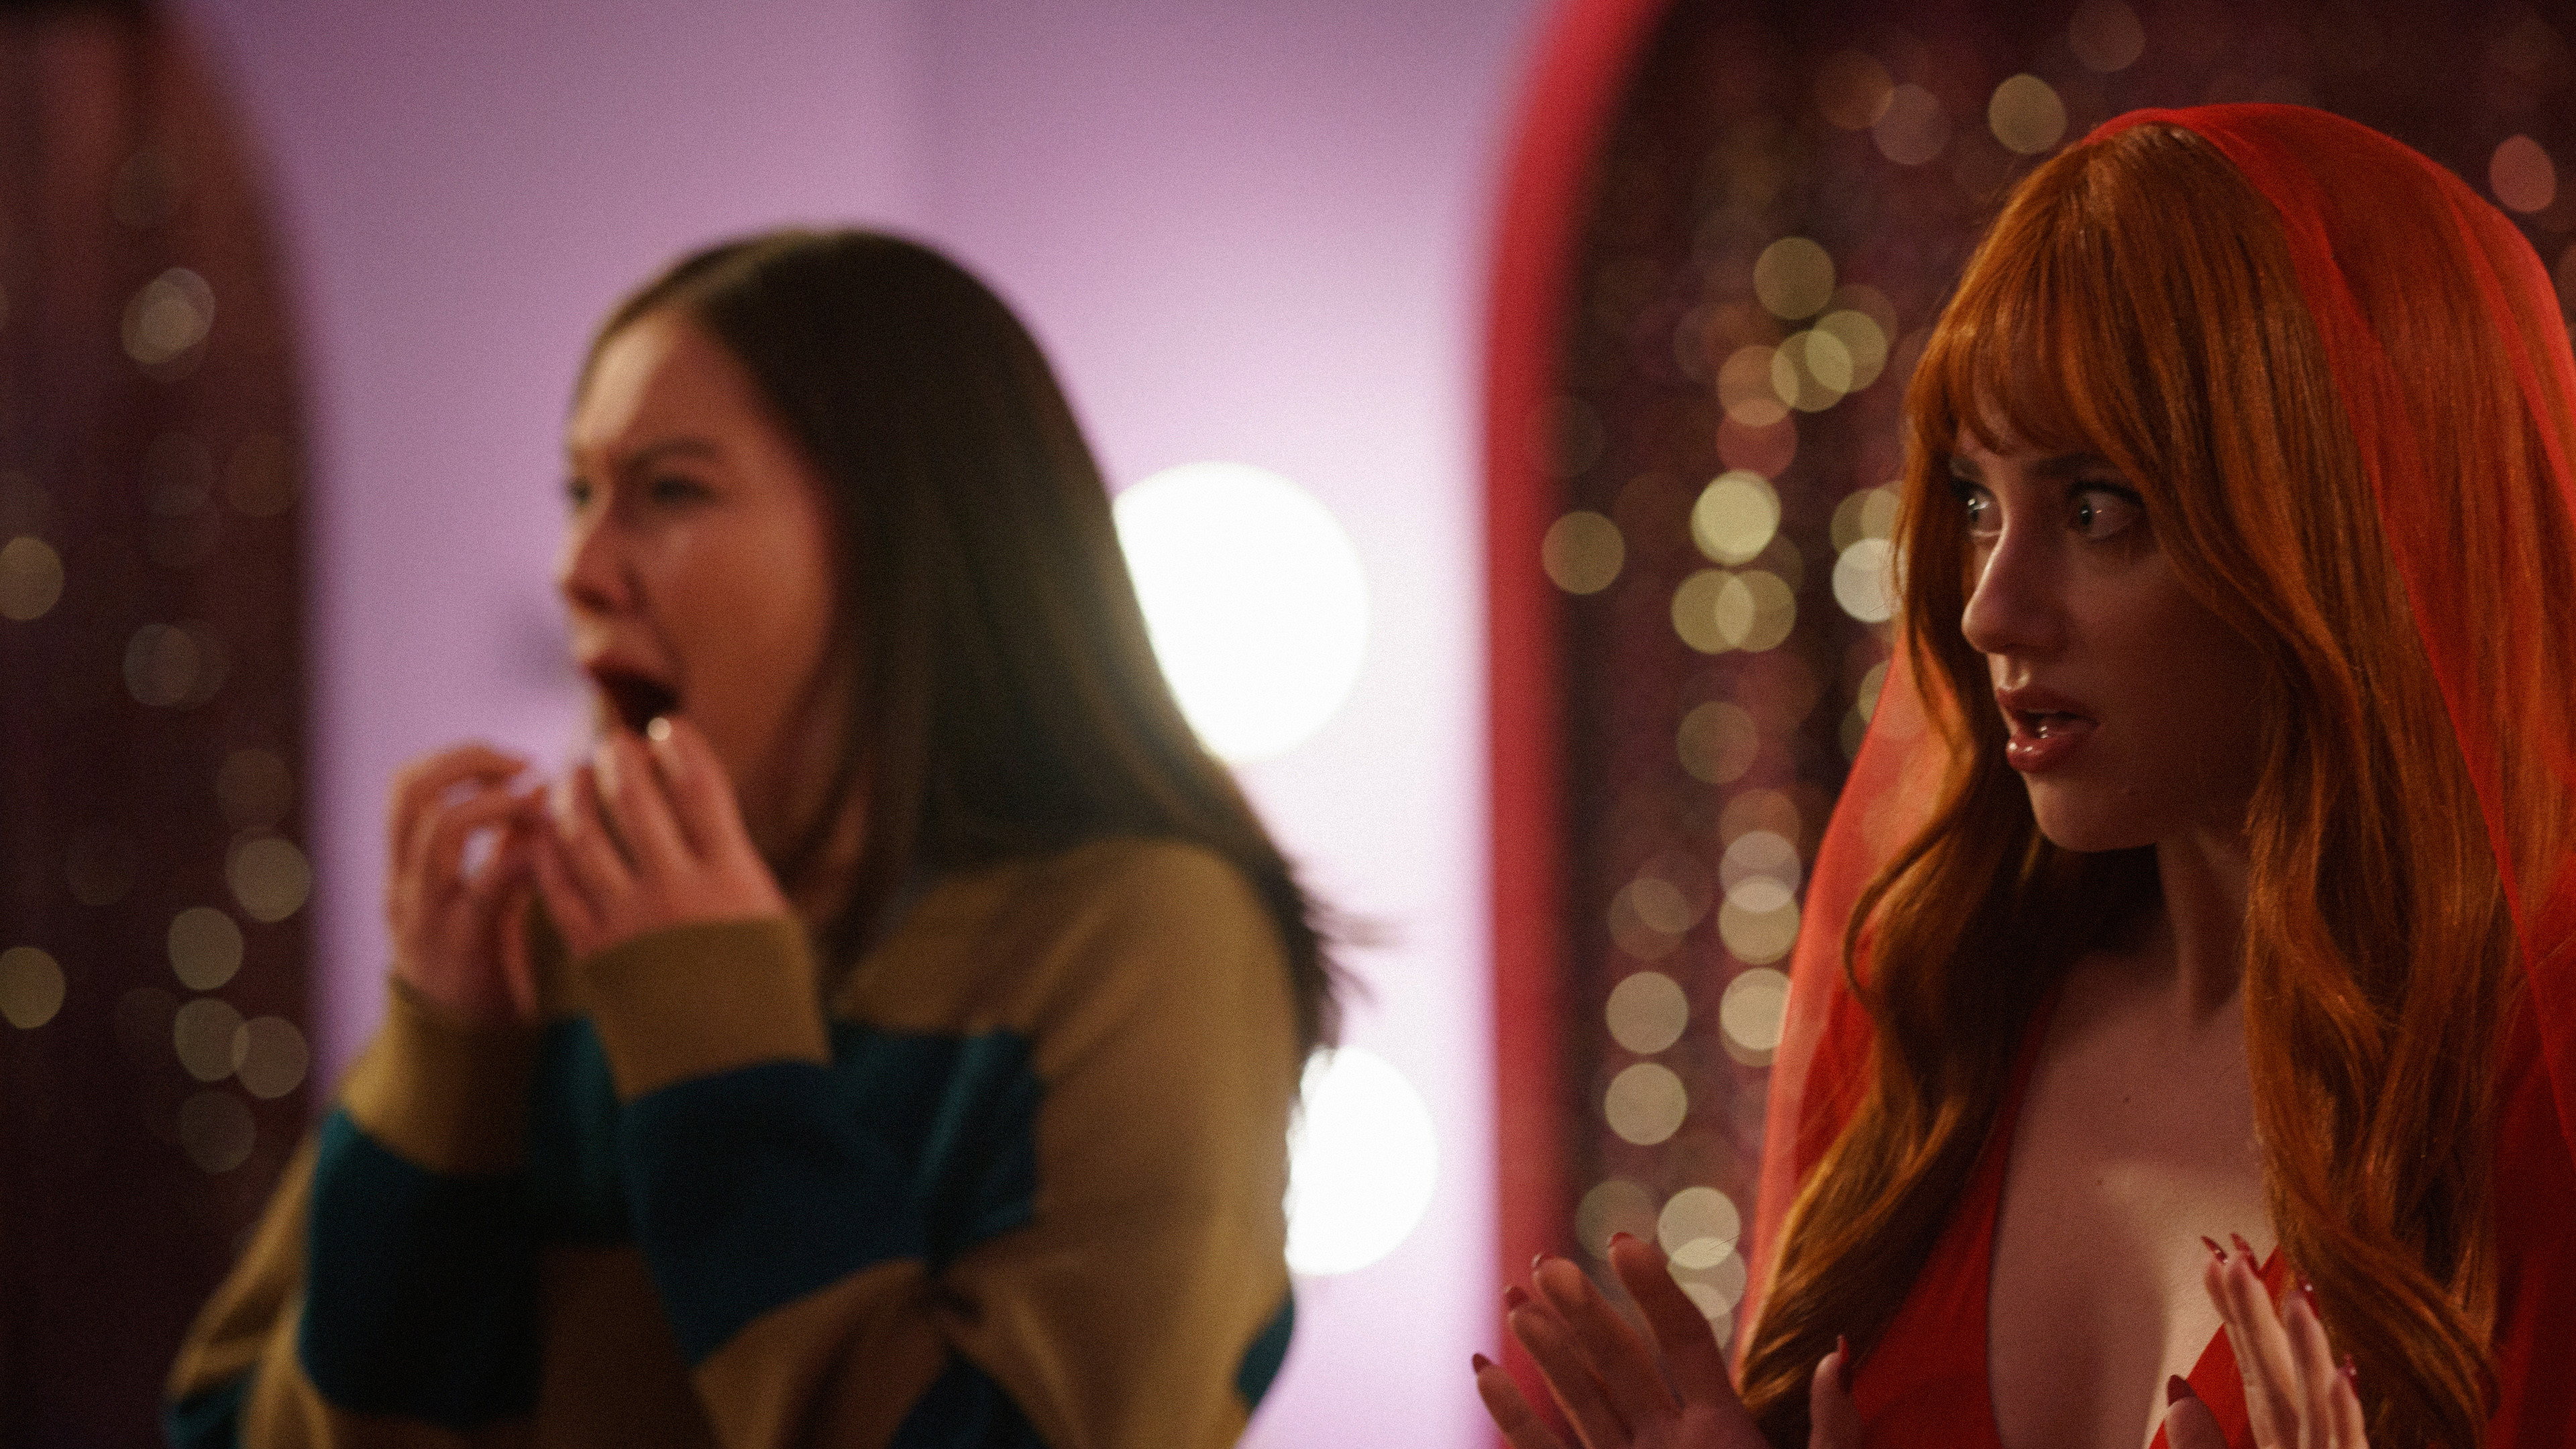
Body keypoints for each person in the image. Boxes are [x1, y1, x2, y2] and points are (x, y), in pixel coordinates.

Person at [1476, 105, 2576, 1449]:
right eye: (1976, 502)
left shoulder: (2539, 1077)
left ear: (2356, 527)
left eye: (2098, 508)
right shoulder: (1944, 1019)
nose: (1990, 607)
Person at [164, 231, 1334, 1448]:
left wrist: (713, 1040)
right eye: (579, 494)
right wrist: (445, 1068)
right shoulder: (554, 942)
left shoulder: (1148, 936)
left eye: (670, 491)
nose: (578, 572)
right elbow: (231, 1429)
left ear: (906, 543)